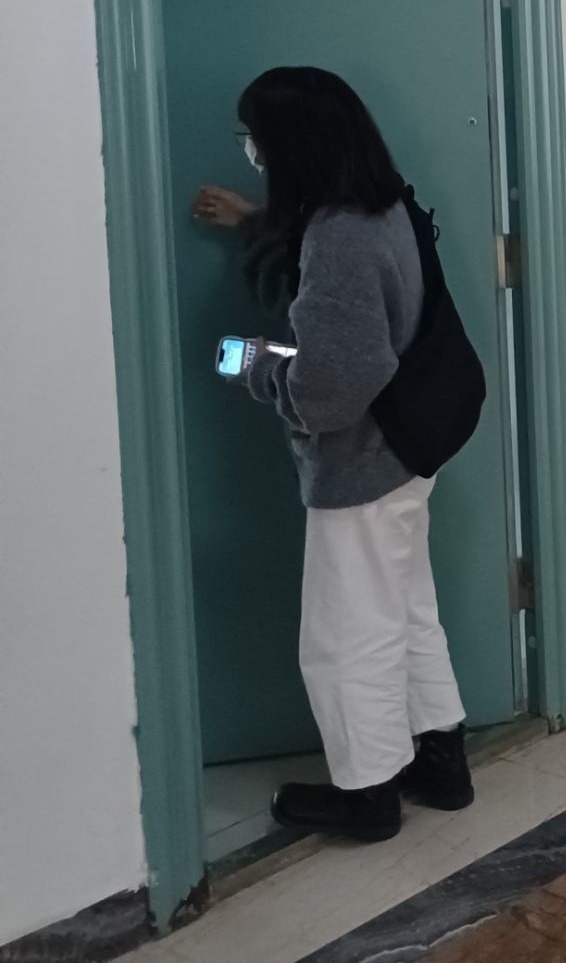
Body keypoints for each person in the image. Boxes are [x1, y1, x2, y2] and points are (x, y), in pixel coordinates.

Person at [191, 67, 472, 843]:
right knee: (405, 608)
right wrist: (253, 221)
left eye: (254, 139)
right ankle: (439, 760)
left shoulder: (339, 238)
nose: (252, 152)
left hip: (361, 463)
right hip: (408, 449)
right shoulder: (383, 205)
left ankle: (366, 793)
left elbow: (329, 389)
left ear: (289, 146)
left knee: (346, 634)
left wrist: (252, 364)